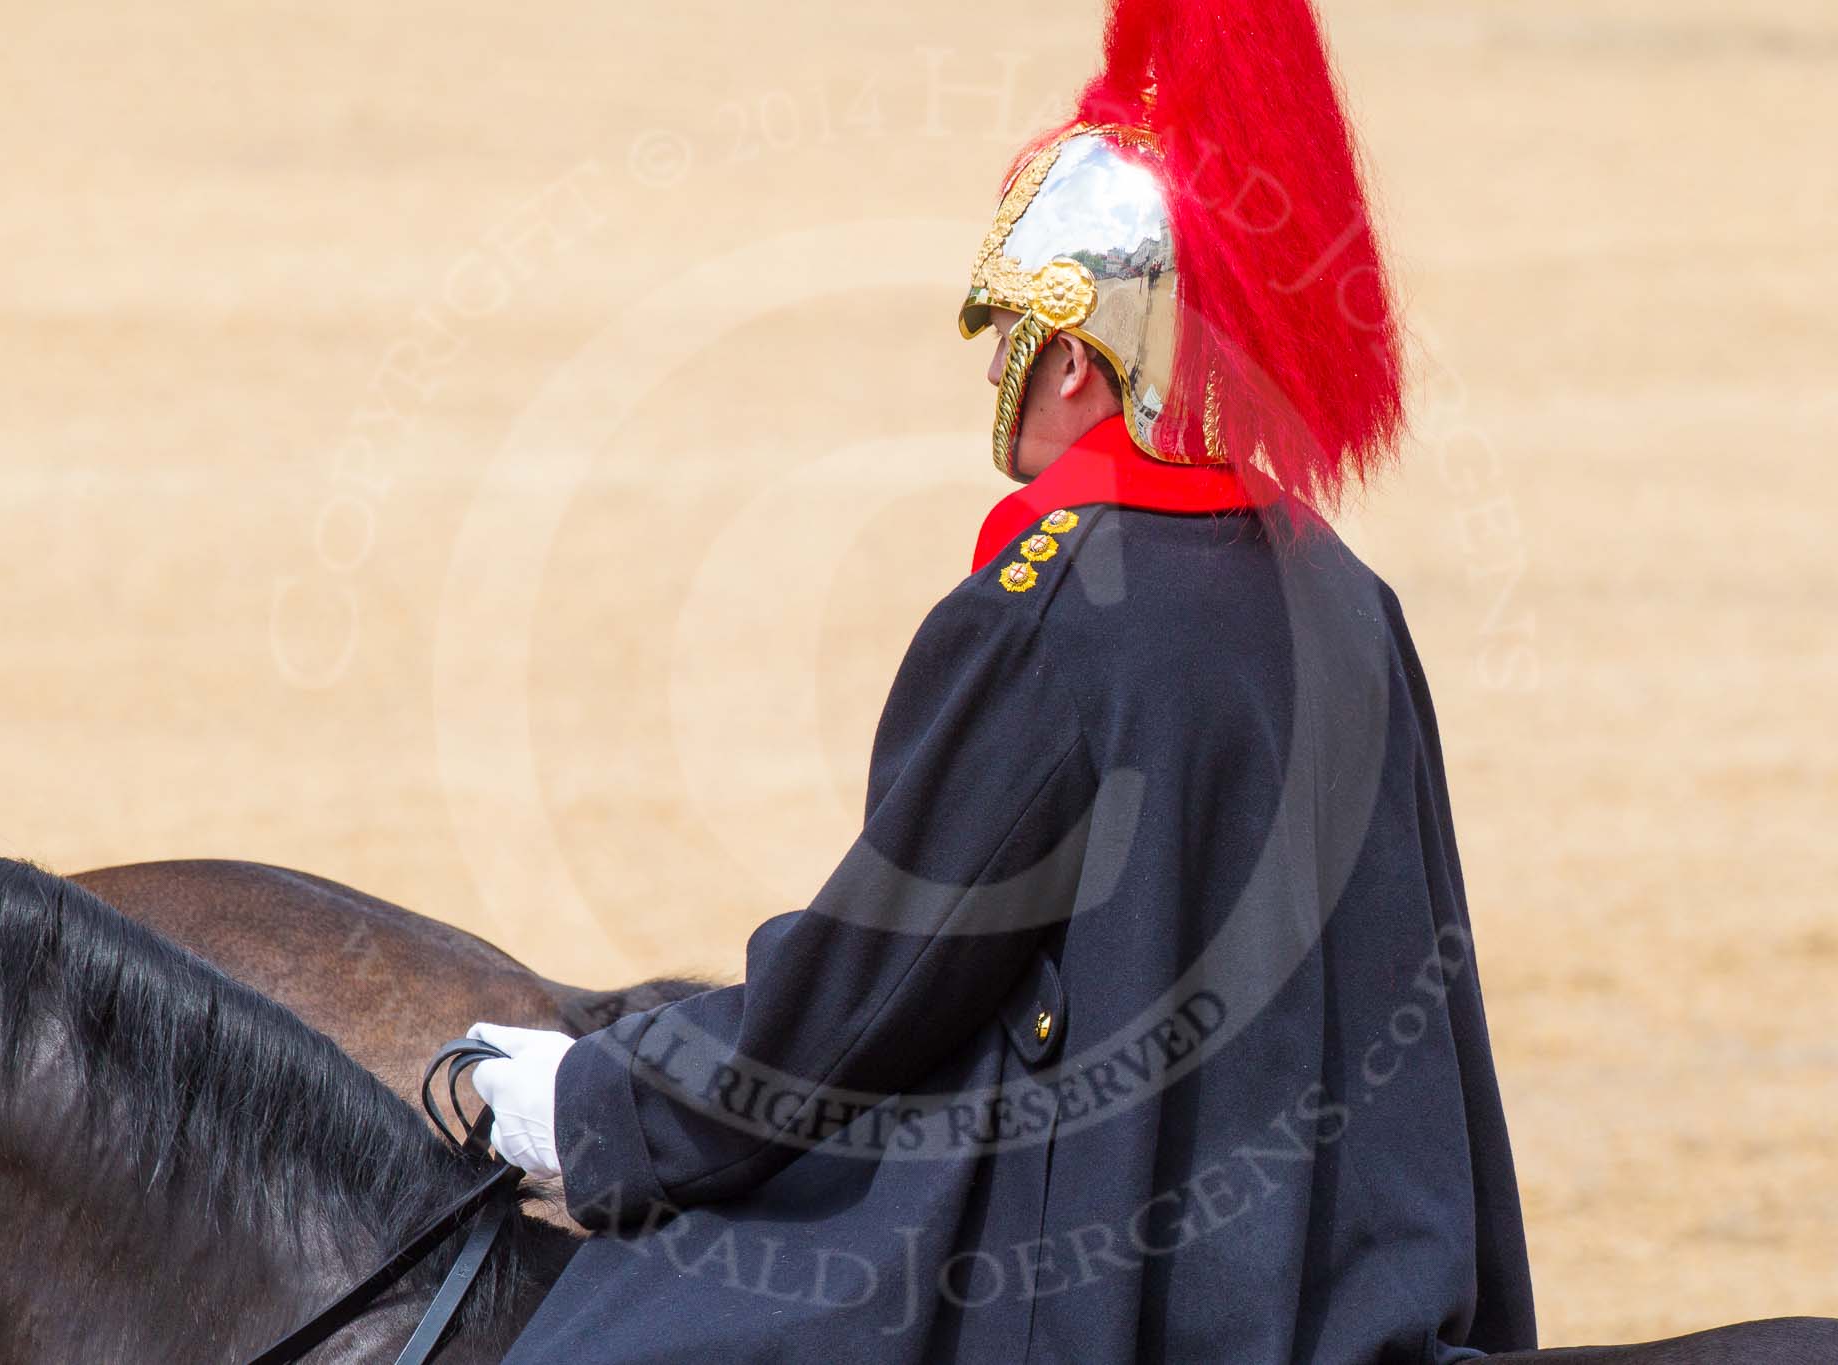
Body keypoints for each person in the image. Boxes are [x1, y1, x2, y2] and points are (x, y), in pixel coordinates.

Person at [475, 0, 1540, 1358]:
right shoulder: (1347, 596)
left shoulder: (1052, 606)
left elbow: (877, 981)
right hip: (1363, 1299)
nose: (993, 368)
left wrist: (608, 1104)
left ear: (1081, 365)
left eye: (1012, 339)